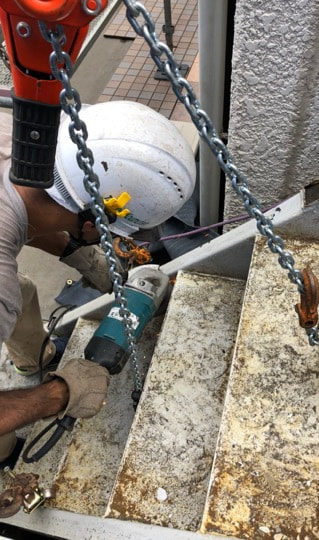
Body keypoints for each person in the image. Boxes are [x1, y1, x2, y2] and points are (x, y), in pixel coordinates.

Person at [0, 100, 196, 466]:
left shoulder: (18, 143)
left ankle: (35, 360)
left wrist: (77, 252)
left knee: (22, 292)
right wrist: (59, 394)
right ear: (92, 224)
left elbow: (26, 215)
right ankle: (4, 456)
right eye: (118, 235)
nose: (122, 242)